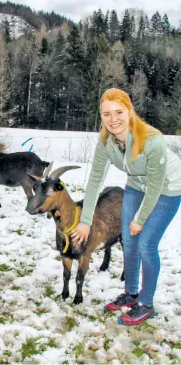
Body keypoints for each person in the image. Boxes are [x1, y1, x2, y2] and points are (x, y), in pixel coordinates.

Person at [71, 88, 181, 326]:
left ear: (130, 111)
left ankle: (147, 303)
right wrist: (86, 220)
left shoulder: (152, 140)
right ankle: (131, 294)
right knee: (128, 241)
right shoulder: (106, 142)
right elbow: (94, 181)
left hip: (168, 188)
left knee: (145, 244)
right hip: (136, 185)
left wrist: (140, 219)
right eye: (106, 114)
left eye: (119, 112)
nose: (113, 119)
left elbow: (155, 186)